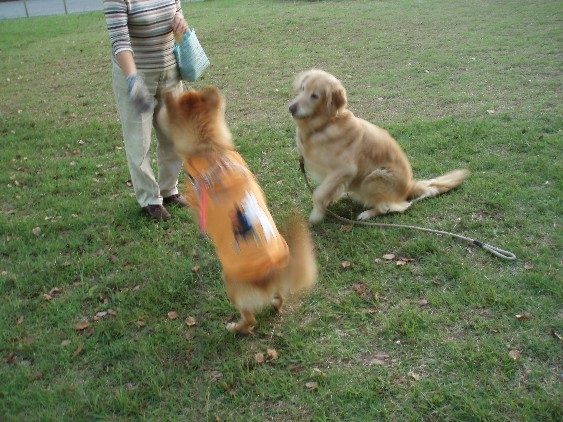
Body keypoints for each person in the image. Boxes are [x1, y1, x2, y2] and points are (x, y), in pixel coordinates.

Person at [103, 0, 190, 221]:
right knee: (139, 142)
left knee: (173, 136)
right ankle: (150, 199)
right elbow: (120, 41)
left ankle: (169, 189)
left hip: (170, 71)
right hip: (136, 74)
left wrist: (180, 20)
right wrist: (133, 79)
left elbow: (177, 9)